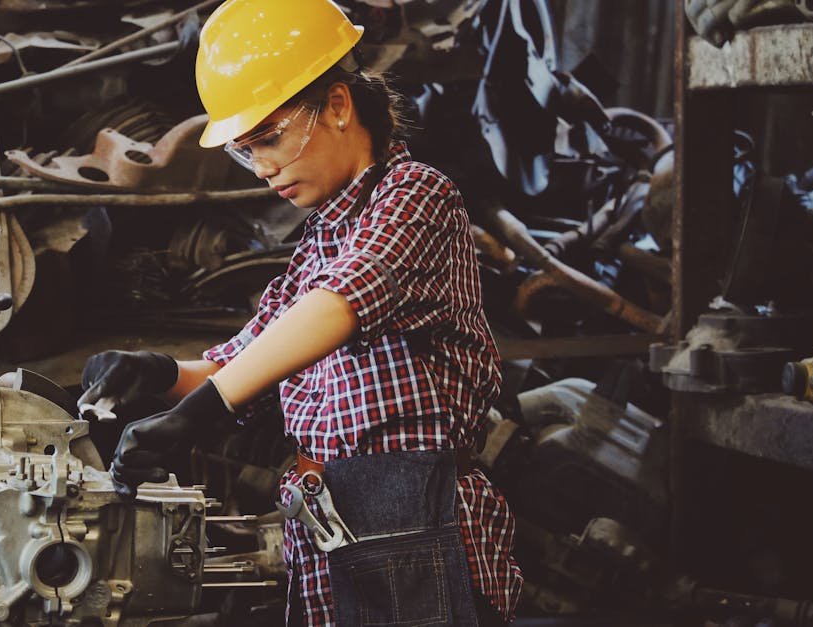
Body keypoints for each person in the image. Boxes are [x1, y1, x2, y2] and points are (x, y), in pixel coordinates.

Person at [78, 0, 522, 624]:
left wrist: (200, 412)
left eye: (270, 137)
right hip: (329, 520)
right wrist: (156, 373)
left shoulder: (416, 196)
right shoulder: (317, 244)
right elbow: (246, 363)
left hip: (411, 520)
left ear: (338, 105)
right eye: (244, 151)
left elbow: (341, 303)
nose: (261, 169)